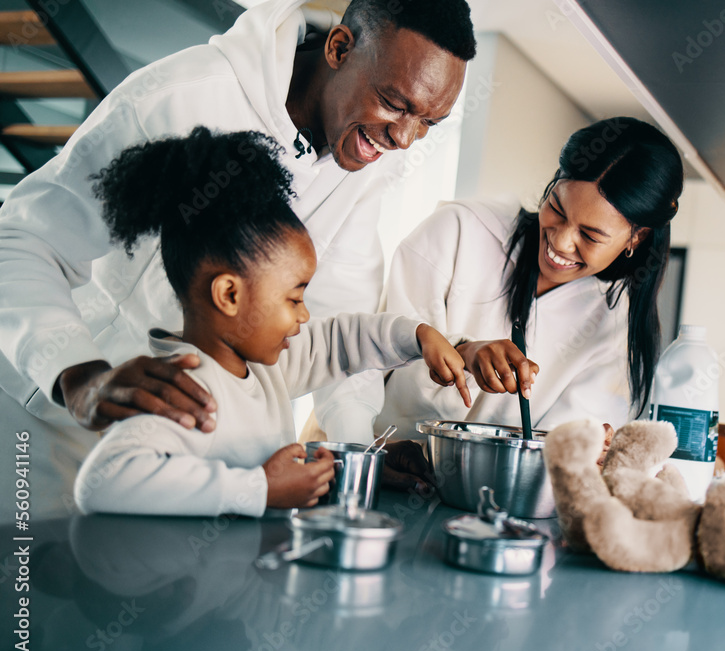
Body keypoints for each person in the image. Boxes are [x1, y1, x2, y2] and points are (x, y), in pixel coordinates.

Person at [0, 0, 475, 515]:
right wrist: (77, 375)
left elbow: (339, 319)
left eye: (429, 122)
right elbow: (24, 240)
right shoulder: (182, 98)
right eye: (394, 103)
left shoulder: (363, 156)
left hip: (185, 463)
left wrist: (360, 453)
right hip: (43, 423)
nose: (404, 138)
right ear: (340, 49)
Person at [73, 128, 469, 516]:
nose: (305, 314)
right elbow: (103, 480)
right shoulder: (185, 388)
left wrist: (417, 337)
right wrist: (260, 489)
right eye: (294, 298)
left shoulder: (266, 369)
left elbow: (339, 342)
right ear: (230, 295)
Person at [370, 117, 684, 442]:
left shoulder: (613, 330)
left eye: (590, 235)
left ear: (637, 237)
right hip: (382, 463)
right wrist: (464, 351)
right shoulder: (459, 230)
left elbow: (562, 452)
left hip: (494, 488)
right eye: (558, 210)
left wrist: (590, 448)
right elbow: (373, 345)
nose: (560, 242)